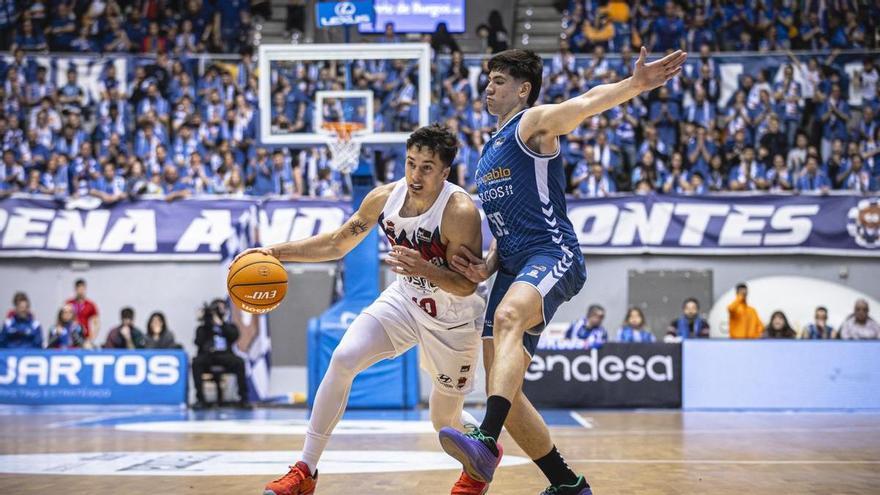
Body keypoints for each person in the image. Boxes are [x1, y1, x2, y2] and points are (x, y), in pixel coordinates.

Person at [441, 47, 686, 495]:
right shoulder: (488, 151)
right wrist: (485, 265)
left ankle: (485, 441)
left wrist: (633, 85)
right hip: (513, 264)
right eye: (488, 80)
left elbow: (585, 103)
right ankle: (567, 484)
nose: (488, 87)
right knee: (506, 393)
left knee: (509, 318)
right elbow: (505, 227)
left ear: (523, 89)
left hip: (552, 254)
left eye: (498, 80)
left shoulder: (532, 124)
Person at [246, 125, 487, 495]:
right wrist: (273, 252)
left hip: (453, 319)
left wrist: (423, 266)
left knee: (444, 421)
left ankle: (479, 458)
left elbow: (466, 284)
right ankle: (305, 469)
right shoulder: (384, 198)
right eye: (410, 164)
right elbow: (337, 243)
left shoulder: (459, 211)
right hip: (405, 300)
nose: (415, 175)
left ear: (444, 172)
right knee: (343, 358)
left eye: (426, 167)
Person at [191, 299, 250, 409]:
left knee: (239, 362)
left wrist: (221, 324)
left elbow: (234, 337)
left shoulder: (229, 326)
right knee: (196, 362)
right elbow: (198, 342)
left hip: (225, 355)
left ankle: (244, 398)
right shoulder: (203, 328)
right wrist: (206, 322)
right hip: (208, 356)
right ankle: (200, 399)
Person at [65, 279, 99, 343]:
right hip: (70, 335)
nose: (80, 291)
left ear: (85, 289)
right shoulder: (69, 303)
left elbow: (96, 322)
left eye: (82, 289)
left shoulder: (90, 305)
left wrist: (92, 337)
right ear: (75, 289)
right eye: (79, 289)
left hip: (85, 336)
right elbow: (63, 318)